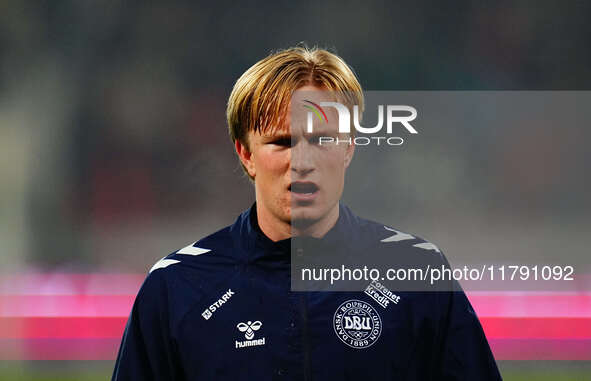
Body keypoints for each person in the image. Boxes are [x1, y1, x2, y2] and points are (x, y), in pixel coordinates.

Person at [111, 46, 502, 380]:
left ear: (349, 148)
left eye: (322, 140)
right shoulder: (177, 286)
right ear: (245, 154)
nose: (301, 162)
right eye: (281, 142)